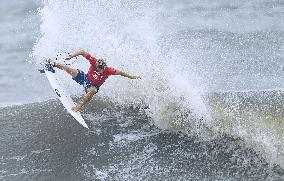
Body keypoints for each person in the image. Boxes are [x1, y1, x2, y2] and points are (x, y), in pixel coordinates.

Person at [48, 49, 141, 112]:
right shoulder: (94, 61)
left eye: (101, 68)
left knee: (92, 91)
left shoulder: (109, 70)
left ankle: (79, 106)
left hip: (92, 87)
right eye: (98, 68)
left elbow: (121, 73)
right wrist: (71, 55)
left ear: (104, 67)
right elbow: (82, 52)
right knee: (70, 70)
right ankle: (53, 64)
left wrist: (132, 77)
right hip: (84, 78)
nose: (99, 70)